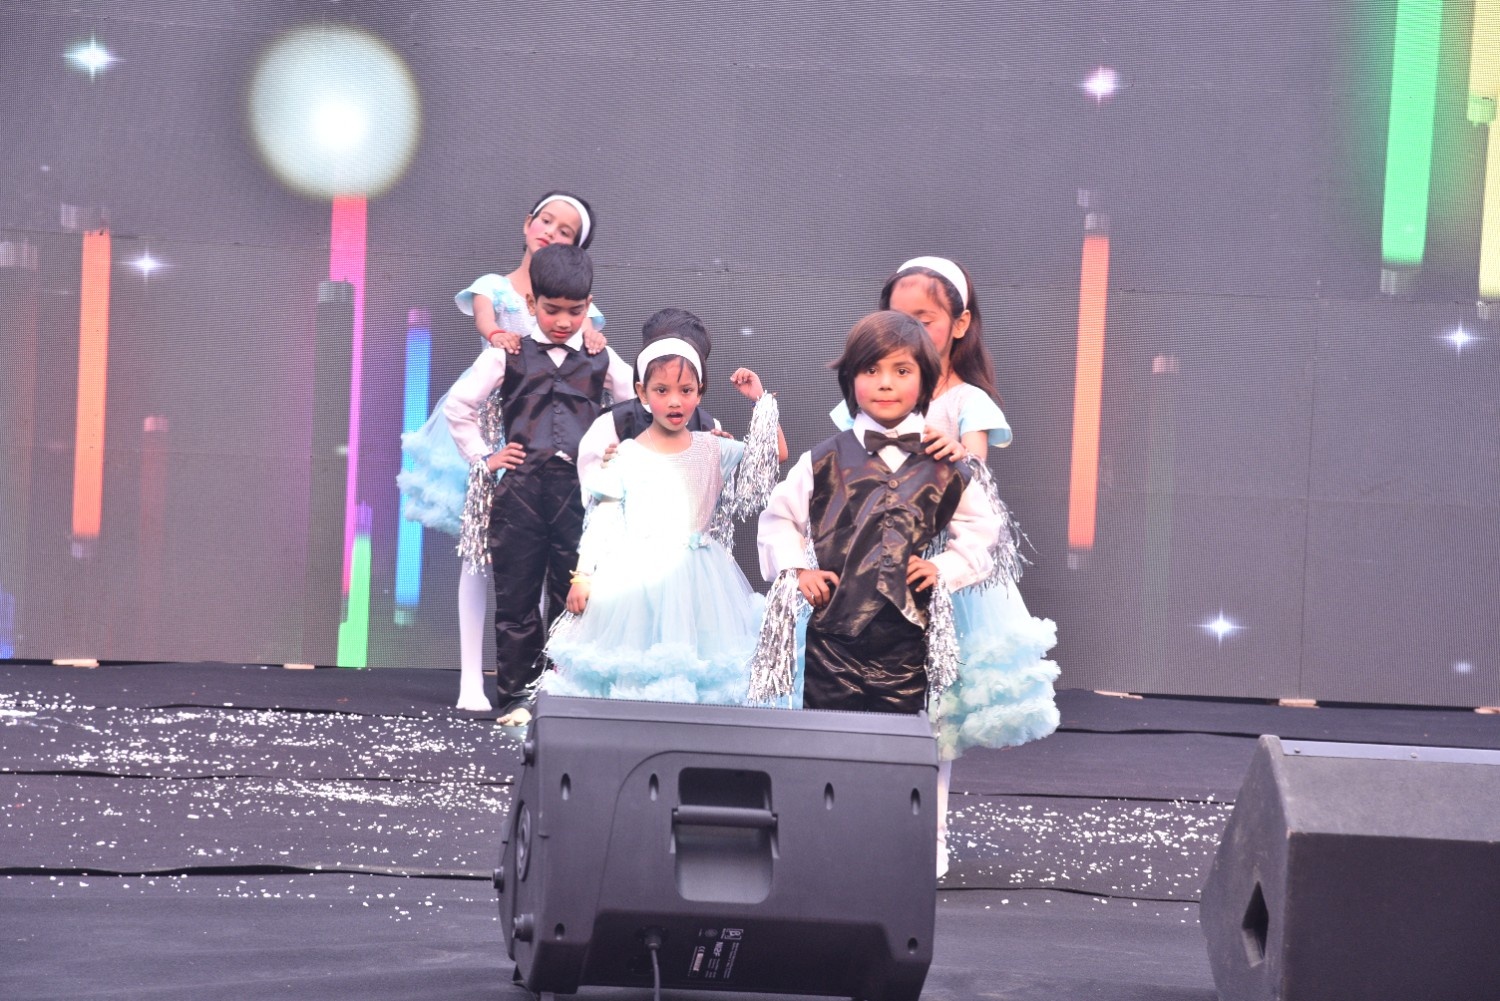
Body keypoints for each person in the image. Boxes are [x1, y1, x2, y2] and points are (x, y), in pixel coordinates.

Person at [398, 192, 606, 712]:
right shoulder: (495, 288)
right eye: (546, 221)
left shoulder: (579, 313)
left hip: (553, 444)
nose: (550, 233)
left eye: (565, 232)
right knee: (484, 557)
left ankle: (551, 681)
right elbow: (487, 322)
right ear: (527, 222)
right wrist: (500, 337)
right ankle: (474, 678)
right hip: (500, 429)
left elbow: (598, 357)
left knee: (553, 569)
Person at [754, 310, 1002, 721]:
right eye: (871, 370)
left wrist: (945, 567)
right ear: (850, 378)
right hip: (833, 641)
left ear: (925, 379)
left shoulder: (945, 465)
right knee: (828, 739)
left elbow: (982, 528)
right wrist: (798, 570)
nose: (886, 382)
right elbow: (779, 518)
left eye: (902, 370)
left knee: (897, 742)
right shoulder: (821, 459)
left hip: (907, 641)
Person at [442, 244, 635, 719]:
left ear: (590, 304)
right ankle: (517, 697)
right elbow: (459, 406)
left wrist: (617, 450)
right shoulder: (508, 353)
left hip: (581, 494)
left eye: (576, 310)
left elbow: (636, 405)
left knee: (577, 593)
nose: (564, 321)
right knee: (517, 593)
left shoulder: (601, 356)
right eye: (552, 310)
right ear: (531, 304)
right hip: (521, 491)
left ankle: (567, 693)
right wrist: (484, 457)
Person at [540, 335, 783, 705]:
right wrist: (583, 576)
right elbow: (604, 519)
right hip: (638, 576)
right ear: (642, 392)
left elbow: (774, 453)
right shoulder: (626, 454)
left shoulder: (713, 448)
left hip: (699, 576)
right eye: (662, 390)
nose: (674, 401)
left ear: (699, 393)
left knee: (698, 668)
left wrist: (760, 400)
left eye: (686, 390)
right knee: (635, 668)